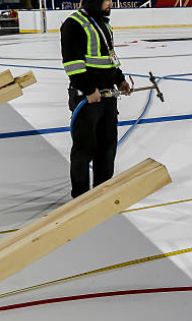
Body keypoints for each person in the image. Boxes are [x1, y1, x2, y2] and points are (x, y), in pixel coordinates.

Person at [61, 0, 130, 198]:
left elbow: (110, 57)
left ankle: (102, 193)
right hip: (87, 98)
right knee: (84, 148)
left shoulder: (104, 24)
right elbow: (72, 63)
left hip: (108, 96)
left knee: (107, 145)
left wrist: (120, 79)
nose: (110, 3)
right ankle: (81, 196)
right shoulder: (74, 23)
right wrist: (88, 89)